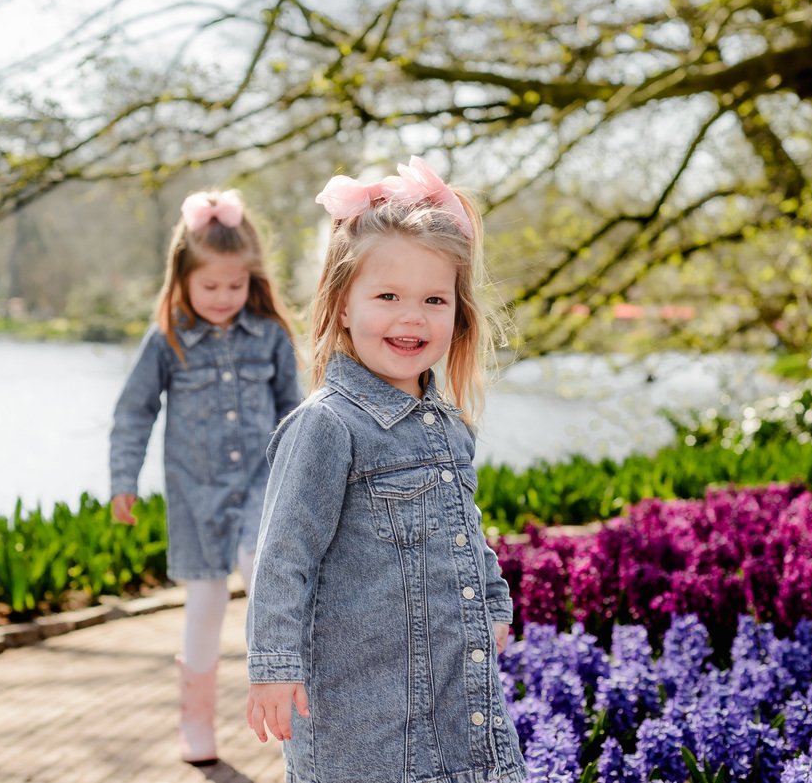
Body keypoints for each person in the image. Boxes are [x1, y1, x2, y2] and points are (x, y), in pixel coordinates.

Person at [245, 157, 527, 783]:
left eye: (434, 299)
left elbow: (466, 527)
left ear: (459, 316)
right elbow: (284, 555)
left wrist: (492, 598)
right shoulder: (328, 426)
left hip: (458, 707)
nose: (412, 317)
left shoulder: (448, 424)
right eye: (388, 297)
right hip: (362, 728)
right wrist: (272, 664)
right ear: (342, 305)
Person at [110, 188, 299, 766]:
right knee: (206, 604)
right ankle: (195, 722)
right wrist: (124, 480)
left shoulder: (268, 334)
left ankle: (292, 699)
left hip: (262, 489)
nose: (223, 298)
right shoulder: (167, 338)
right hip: (195, 496)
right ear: (183, 278)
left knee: (265, 574)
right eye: (210, 286)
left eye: (235, 287)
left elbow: (296, 413)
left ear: (253, 281)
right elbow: (133, 411)